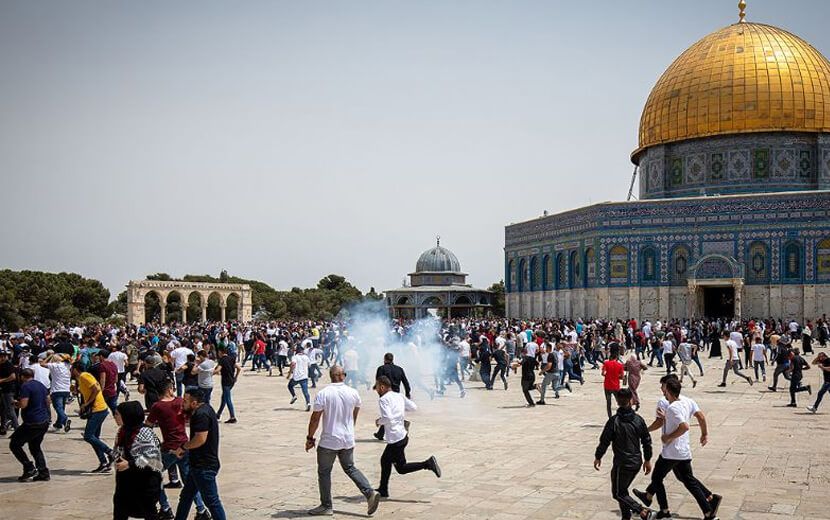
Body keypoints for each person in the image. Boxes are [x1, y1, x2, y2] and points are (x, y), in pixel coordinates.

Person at [634, 376, 721, 520]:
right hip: (683, 451)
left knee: (657, 478)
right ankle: (708, 512)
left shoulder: (672, 407)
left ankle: (664, 510)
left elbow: (684, 426)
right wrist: (667, 418)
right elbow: (692, 419)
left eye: (664, 388)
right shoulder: (684, 403)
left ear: (668, 390)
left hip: (671, 452)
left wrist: (667, 437)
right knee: (689, 481)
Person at [305, 366, 380, 516]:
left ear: (331, 376)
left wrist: (310, 438)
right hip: (347, 439)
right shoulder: (353, 393)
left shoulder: (324, 393)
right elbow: (354, 415)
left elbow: (315, 418)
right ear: (343, 376)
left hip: (329, 440)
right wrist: (349, 431)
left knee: (324, 472)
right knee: (350, 468)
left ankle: (326, 505)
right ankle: (369, 493)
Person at [147, 381, 211, 520]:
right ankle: (201, 510)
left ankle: (165, 508)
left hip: (169, 448)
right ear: (170, 389)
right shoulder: (180, 402)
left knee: (152, 474)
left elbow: (148, 426)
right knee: (189, 482)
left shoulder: (157, 406)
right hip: (184, 445)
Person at [374, 375, 441, 498]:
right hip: (402, 435)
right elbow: (413, 407)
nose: (377, 390)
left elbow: (387, 418)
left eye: (377, 387)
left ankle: (427, 464)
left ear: (382, 387)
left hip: (395, 438)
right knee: (389, 463)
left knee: (399, 467)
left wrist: (379, 421)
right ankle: (383, 489)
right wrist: (399, 412)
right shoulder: (399, 396)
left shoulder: (383, 400)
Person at [593, 388, 655, 520]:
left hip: (622, 464)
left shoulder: (614, 421)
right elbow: (647, 441)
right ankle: (626, 517)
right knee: (623, 490)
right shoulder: (638, 420)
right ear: (631, 401)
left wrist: (598, 456)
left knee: (618, 493)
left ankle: (642, 511)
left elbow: (604, 441)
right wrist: (648, 459)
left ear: (617, 401)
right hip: (636, 462)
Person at [174, 388, 227, 520]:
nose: (183, 404)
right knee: (186, 497)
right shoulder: (206, 409)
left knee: (212, 501)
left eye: (185, 401)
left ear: (194, 403)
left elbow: (200, 439)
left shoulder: (201, 414)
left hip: (204, 466)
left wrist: (183, 447)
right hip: (197, 464)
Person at [112, 401, 163, 520]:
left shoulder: (144, 433)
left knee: (149, 512)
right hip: (126, 482)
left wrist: (129, 464)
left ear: (127, 416)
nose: (114, 416)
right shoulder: (122, 431)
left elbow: (153, 459)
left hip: (144, 483)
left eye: (117, 414)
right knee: (120, 510)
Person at [9, 368, 51, 481]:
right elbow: (48, 400)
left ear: (22, 377)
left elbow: (23, 404)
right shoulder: (41, 385)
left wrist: (15, 403)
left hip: (32, 422)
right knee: (35, 447)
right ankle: (43, 472)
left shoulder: (25, 386)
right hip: (44, 421)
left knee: (14, 444)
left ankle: (29, 467)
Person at [72, 361, 114, 472]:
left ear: (76, 369)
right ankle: (103, 463)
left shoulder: (84, 375)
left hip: (98, 409)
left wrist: (87, 404)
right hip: (97, 409)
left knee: (88, 436)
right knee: (94, 438)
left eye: (72, 369)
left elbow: (97, 388)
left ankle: (110, 452)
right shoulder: (81, 378)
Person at [373, 352, 412, 440]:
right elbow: (406, 382)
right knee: (392, 413)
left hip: (385, 393)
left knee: (387, 414)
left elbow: (378, 381)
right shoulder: (399, 369)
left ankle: (403, 424)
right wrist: (408, 393)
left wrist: (378, 391)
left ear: (385, 359)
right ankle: (380, 434)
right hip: (396, 394)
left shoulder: (381, 368)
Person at [41, 353, 72, 432]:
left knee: (58, 408)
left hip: (57, 390)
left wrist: (49, 356)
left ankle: (65, 419)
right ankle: (58, 424)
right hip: (66, 389)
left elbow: (42, 364)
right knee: (62, 408)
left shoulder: (55, 365)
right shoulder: (67, 365)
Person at [215, 346, 241, 423]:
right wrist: (235, 377)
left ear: (220, 352)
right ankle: (218, 414)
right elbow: (238, 368)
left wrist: (210, 373)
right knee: (224, 398)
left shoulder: (222, 360)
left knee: (228, 399)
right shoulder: (231, 359)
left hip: (225, 381)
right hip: (231, 380)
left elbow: (218, 370)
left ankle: (232, 416)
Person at [602, 345, 625, 418]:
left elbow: (603, 373)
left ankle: (610, 417)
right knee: (619, 402)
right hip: (615, 386)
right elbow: (622, 377)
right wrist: (616, 376)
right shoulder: (620, 365)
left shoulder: (606, 363)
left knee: (608, 403)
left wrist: (608, 375)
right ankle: (621, 415)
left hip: (607, 385)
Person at [288, 345, 312, 412]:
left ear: (296, 351)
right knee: (305, 392)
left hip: (296, 377)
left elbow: (293, 364)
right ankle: (308, 403)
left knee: (290, 386)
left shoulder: (295, 357)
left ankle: (294, 396)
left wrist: (289, 373)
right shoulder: (306, 357)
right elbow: (309, 365)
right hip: (304, 377)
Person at [0, 350, 18, 435]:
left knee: (10, 410)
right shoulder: (2, 365)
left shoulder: (8, 365)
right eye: (1, 356)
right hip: (3, 391)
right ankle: (3, 428)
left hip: (8, 391)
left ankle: (17, 429)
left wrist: (2, 380)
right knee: (2, 410)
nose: (2, 357)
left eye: (4, 356)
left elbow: (13, 376)